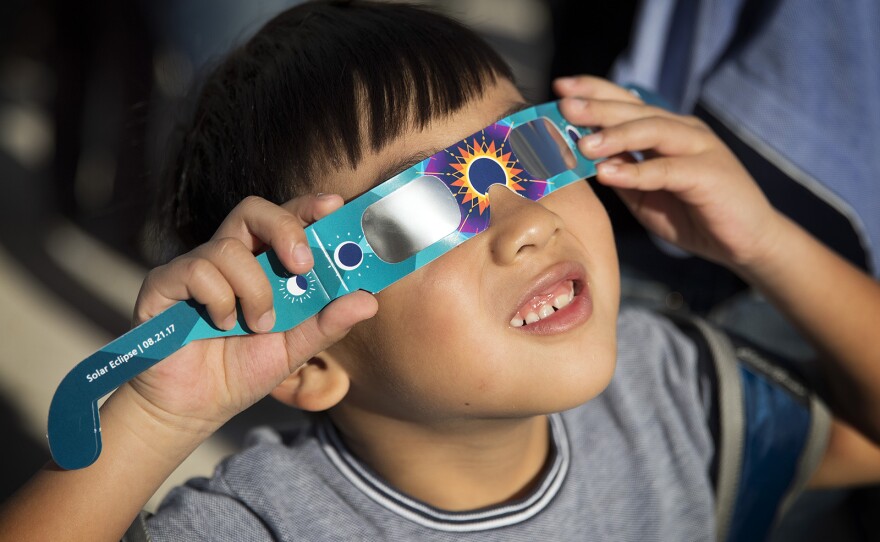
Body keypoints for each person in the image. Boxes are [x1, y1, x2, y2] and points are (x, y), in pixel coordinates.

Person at [1, 1, 880, 540]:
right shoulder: (273, 525)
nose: (523, 219)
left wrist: (765, 242)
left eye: (524, 150)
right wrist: (157, 418)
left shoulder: (672, 395)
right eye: (416, 212)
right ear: (308, 359)